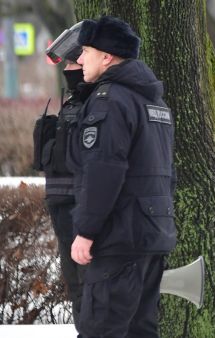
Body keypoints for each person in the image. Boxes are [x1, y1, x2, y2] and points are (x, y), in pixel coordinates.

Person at [66, 16, 176, 338]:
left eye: (86, 50)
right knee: (140, 330)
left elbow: (104, 170)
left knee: (101, 329)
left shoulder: (110, 100)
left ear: (107, 56)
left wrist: (86, 230)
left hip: (118, 239)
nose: (80, 59)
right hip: (150, 234)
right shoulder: (153, 101)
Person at [33, 21, 86, 337]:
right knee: (76, 284)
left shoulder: (96, 103)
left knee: (87, 285)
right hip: (63, 206)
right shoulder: (75, 101)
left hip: (79, 208)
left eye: (72, 62)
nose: (67, 69)